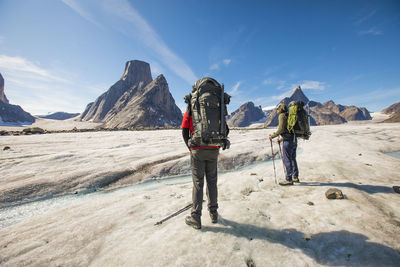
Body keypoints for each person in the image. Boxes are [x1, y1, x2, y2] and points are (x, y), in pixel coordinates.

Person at [181, 78, 229, 230]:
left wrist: (191, 146)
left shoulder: (193, 103)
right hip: (214, 148)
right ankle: (213, 213)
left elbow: (184, 129)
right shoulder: (218, 102)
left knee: (198, 183)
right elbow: (225, 128)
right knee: (212, 182)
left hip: (197, 149)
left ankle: (196, 217)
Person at [269, 103, 299, 185]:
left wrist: (273, 136)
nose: (277, 110)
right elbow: (288, 130)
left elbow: (281, 129)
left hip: (288, 142)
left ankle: (288, 179)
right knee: (293, 158)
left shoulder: (282, 116)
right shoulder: (288, 115)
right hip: (294, 140)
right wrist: (282, 139)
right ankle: (295, 177)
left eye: (277, 109)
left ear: (280, 109)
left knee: (287, 159)